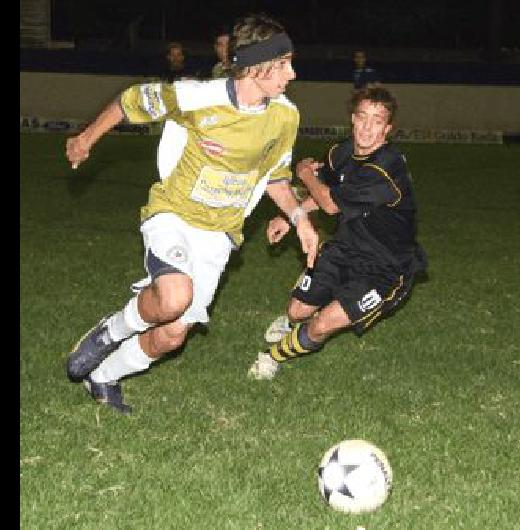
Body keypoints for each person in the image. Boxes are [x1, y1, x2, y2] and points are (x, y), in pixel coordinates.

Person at [64, 13, 319, 414]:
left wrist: (300, 219)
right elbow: (131, 102)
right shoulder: (198, 98)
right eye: (283, 63)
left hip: (219, 235)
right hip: (174, 213)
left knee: (172, 334)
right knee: (173, 297)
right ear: (256, 67)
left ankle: (104, 376)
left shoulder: (285, 116)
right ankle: (109, 333)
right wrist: (85, 139)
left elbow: (275, 177)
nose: (293, 73)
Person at [248, 87, 427, 380]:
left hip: (385, 269)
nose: (368, 127)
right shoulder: (341, 152)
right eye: (362, 117)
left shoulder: (386, 169)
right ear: (352, 119)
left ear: (388, 129)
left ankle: (272, 357)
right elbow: (327, 191)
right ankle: (291, 324)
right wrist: (291, 216)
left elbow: (330, 204)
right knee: (297, 312)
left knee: (321, 325)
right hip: (344, 250)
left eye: (377, 121)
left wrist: (305, 173)